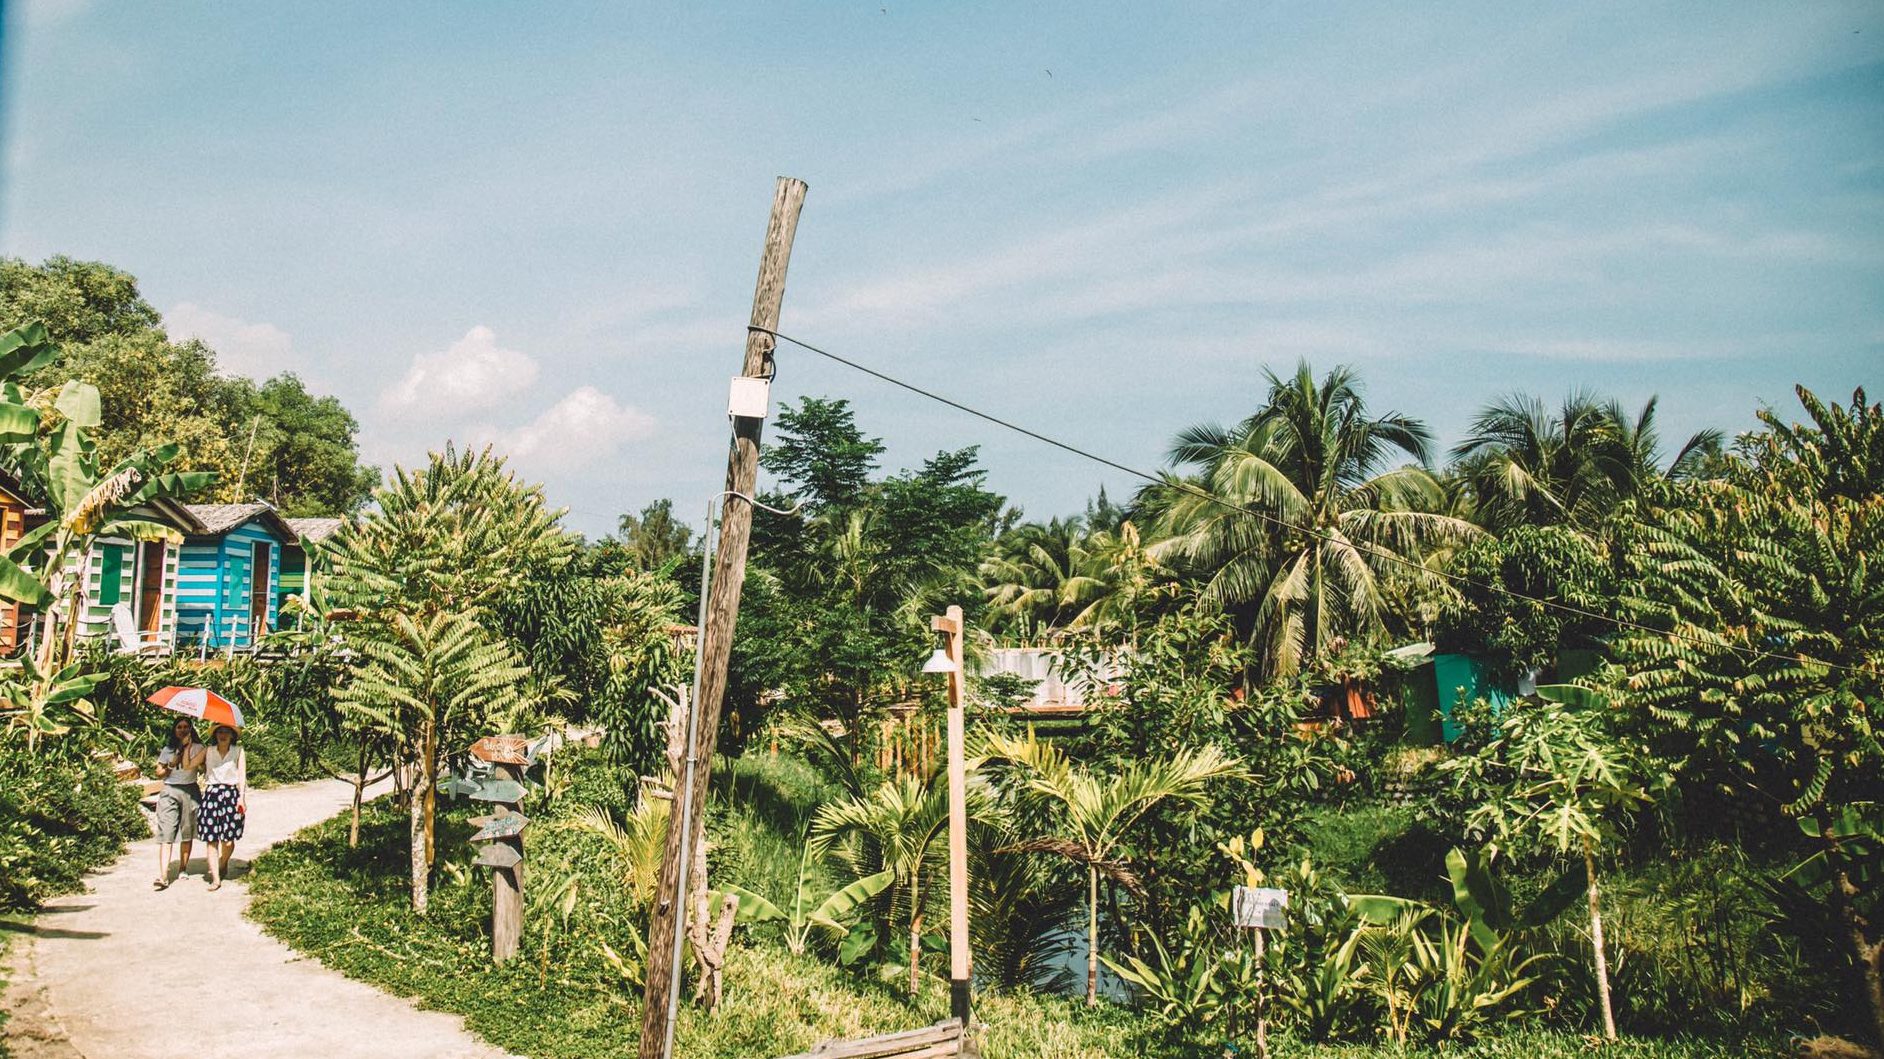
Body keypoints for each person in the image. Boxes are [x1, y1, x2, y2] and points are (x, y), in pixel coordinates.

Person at [152, 718, 205, 889]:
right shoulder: (168, 749)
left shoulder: (199, 748)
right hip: (170, 790)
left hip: (190, 790)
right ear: (174, 730)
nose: (182, 730)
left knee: (187, 831)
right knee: (166, 832)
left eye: (186, 727)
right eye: (179, 727)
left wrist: (188, 749)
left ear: (191, 729)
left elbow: (204, 768)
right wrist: (170, 765)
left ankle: (183, 868)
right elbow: (159, 773)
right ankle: (163, 875)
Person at [197, 724, 247, 891]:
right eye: (219, 732)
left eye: (226, 732)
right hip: (211, 795)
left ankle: (223, 862)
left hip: (231, 795)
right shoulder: (208, 750)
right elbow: (190, 764)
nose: (223, 735)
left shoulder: (238, 751)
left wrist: (241, 798)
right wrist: (185, 745)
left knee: (228, 841)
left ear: (232, 735)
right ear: (215, 735)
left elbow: (241, 776)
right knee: (211, 839)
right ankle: (216, 879)